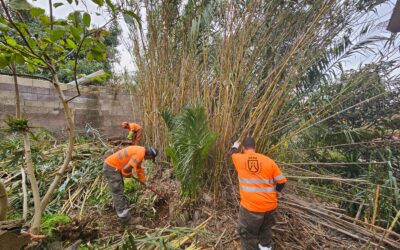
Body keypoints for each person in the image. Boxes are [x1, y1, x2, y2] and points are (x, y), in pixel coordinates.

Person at [230, 137, 287, 250]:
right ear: (255, 148)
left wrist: (235, 145)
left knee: (248, 234)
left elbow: (232, 152)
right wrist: (276, 192)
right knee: (265, 231)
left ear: (243, 148)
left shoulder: (239, 159)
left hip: (250, 208)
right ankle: (265, 247)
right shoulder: (268, 161)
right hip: (270, 206)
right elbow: (282, 181)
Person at [103, 145, 158, 225]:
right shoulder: (140, 154)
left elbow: (138, 168)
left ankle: (123, 210)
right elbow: (126, 169)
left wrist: (143, 181)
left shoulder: (141, 150)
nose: (148, 160)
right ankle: (125, 219)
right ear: (149, 155)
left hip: (113, 166)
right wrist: (127, 174)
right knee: (118, 193)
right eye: (150, 158)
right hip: (111, 167)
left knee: (120, 191)